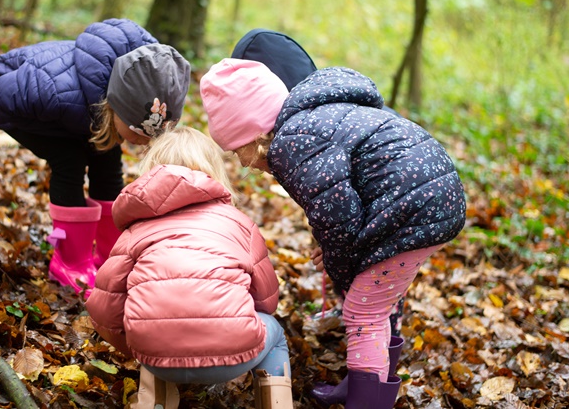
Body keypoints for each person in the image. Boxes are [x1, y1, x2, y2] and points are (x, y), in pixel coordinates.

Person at [199, 59, 467, 409]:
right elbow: (338, 207)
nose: (244, 164)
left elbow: (337, 218)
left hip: (411, 207)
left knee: (362, 309)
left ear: (253, 134)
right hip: (432, 196)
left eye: (238, 152)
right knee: (375, 302)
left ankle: (367, 400)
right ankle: (365, 384)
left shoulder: (292, 143)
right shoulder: (315, 120)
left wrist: (340, 270)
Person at [85, 127, 293, 409]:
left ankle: (154, 402)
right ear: (213, 171)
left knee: (148, 319)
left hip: (156, 357)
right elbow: (267, 299)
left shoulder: (137, 228)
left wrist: (135, 345)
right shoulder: (238, 223)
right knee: (276, 334)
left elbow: (105, 307)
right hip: (234, 351)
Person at [0, 18, 191, 294]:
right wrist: (66, 134)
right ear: (118, 107)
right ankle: (70, 262)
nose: (143, 142)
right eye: (139, 133)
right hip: (13, 101)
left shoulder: (141, 81)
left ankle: (110, 257)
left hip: (83, 108)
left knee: (107, 161)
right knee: (70, 159)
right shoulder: (52, 92)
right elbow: (1, 91)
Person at [232, 28, 408, 333]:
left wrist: (337, 251)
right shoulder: (323, 105)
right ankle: (363, 317)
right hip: (404, 189)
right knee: (350, 243)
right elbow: (328, 198)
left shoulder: (304, 131)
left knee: (374, 267)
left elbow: (341, 202)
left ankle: (377, 333)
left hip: (393, 197)